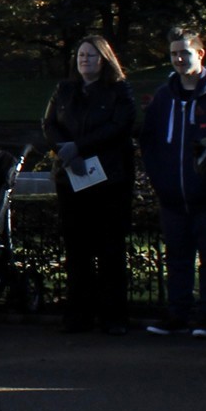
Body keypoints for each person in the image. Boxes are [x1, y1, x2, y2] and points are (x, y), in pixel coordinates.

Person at [138, 28, 206, 338]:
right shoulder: (164, 97)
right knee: (177, 257)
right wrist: (159, 178)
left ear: (200, 54)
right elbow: (151, 141)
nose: (179, 59)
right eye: (174, 54)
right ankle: (177, 313)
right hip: (171, 195)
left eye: (185, 53)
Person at [43, 35, 137, 335]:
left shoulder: (119, 91)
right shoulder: (65, 89)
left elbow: (119, 126)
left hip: (109, 180)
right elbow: (48, 123)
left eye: (91, 56)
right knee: (77, 249)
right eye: (81, 55)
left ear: (105, 59)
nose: (85, 60)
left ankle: (114, 316)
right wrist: (64, 149)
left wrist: (80, 147)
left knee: (110, 249)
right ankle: (78, 314)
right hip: (72, 178)